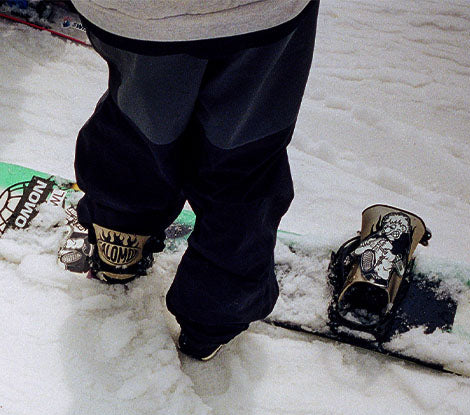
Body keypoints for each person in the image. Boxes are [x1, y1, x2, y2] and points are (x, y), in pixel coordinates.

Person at [67, 0, 319, 361]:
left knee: (139, 125)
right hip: (258, 13)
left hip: (132, 11)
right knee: (242, 158)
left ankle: (118, 236)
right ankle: (213, 314)